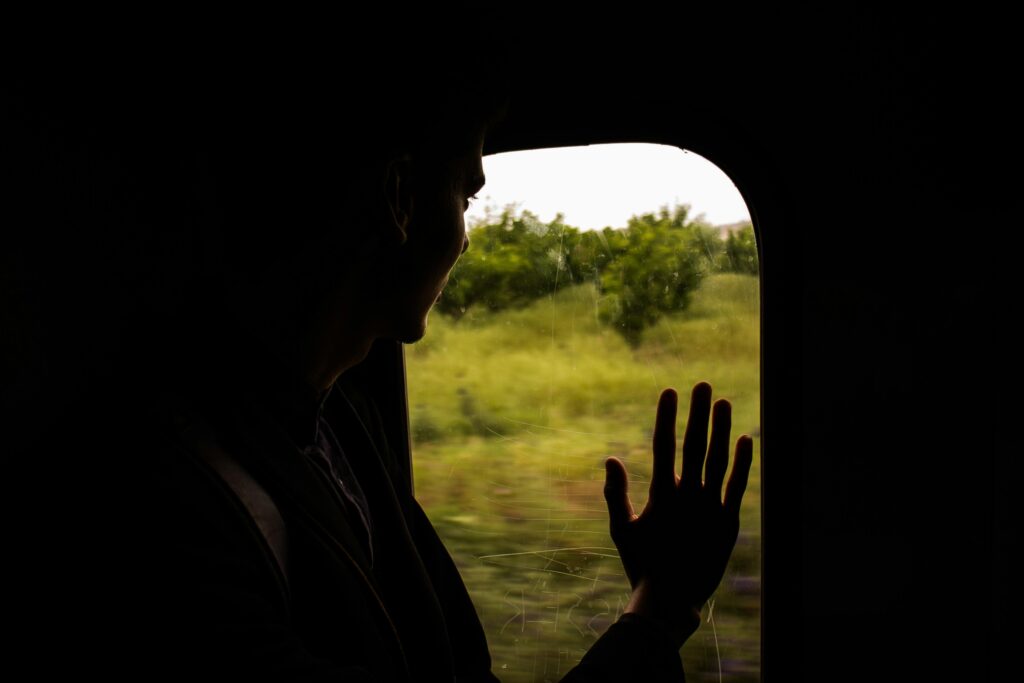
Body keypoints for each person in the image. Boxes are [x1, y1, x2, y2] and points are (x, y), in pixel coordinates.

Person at [6, 18, 752, 681]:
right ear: (398, 199)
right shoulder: (158, 516)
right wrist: (659, 609)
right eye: (463, 193)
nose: (464, 234)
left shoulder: (333, 424)